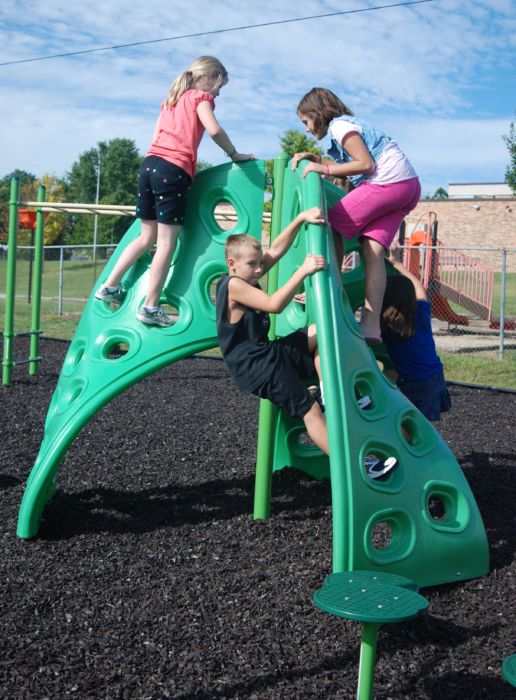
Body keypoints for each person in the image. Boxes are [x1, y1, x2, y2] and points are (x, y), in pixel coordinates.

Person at [215, 208, 398, 480]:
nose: (258, 269)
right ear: (232, 264)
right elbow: (274, 305)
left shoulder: (247, 276)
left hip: (268, 354)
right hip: (258, 369)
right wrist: (303, 271)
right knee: (309, 412)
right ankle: (359, 468)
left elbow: (275, 251)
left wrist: (299, 219)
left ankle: (329, 395)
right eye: (252, 264)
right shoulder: (232, 285)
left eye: (258, 263)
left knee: (319, 333)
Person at [95, 56, 255, 327]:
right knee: (166, 244)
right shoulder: (199, 97)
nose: (218, 93)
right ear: (209, 77)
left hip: (149, 166)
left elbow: (157, 134)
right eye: (219, 86)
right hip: (172, 170)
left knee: (147, 237)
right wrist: (234, 154)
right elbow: (214, 129)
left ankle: (109, 285)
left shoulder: (171, 99)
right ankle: (150, 306)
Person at [291, 87, 421, 345]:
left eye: (306, 121)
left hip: (388, 182)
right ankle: (371, 327)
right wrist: (316, 157)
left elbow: (365, 164)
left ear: (318, 113)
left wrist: (323, 168)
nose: (306, 128)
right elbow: (355, 163)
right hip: (408, 186)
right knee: (371, 249)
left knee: (331, 222)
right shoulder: (346, 128)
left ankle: (329, 288)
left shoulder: (340, 126)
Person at [381, 250, 452, 421]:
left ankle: (409, 446)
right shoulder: (421, 315)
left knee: (410, 425)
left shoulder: (387, 327)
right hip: (435, 375)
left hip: (414, 384)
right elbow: (419, 288)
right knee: (423, 425)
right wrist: (397, 264)